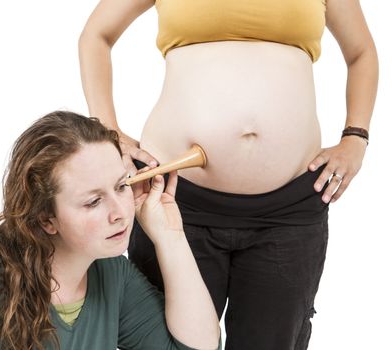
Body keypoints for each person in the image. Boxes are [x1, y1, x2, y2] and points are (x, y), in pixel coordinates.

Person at [78, 1, 378, 349]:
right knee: (166, 342)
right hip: (176, 203)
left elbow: (361, 52)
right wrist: (107, 129)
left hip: (288, 210)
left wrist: (356, 137)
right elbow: (96, 35)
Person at [0, 111, 221, 350]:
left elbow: (199, 347)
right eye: (93, 202)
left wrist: (170, 237)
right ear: (45, 219)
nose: (119, 212)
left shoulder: (114, 276)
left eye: (121, 187)